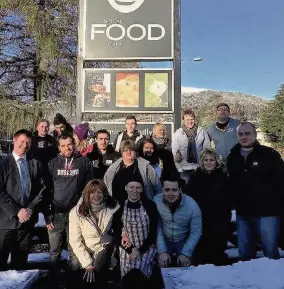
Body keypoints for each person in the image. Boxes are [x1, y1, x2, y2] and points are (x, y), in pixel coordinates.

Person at [227, 121, 284, 261]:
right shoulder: (233, 157)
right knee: (245, 255)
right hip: (243, 214)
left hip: (267, 213)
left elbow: (281, 181)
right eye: (240, 134)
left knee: (270, 254)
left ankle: (272, 282)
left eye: (247, 133)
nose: (243, 137)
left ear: (255, 134)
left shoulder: (269, 154)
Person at [44, 133, 94, 278]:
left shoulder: (84, 162)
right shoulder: (52, 163)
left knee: (74, 253)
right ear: (59, 147)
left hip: (76, 216)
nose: (67, 148)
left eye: (70, 144)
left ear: (74, 144)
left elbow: (90, 188)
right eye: (64, 145)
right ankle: (53, 283)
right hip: (56, 215)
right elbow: (46, 190)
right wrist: (47, 215)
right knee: (54, 253)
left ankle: (72, 283)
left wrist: (85, 211)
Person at [0, 129, 45, 270]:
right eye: (22, 141)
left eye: (28, 143)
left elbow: (41, 189)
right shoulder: (3, 164)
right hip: (6, 223)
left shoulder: (34, 163)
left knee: (20, 267)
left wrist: (29, 209)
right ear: (14, 140)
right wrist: (17, 211)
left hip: (26, 223)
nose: (24, 145)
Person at [69, 179, 119, 288]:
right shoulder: (76, 212)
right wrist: (87, 263)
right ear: (87, 194)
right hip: (83, 247)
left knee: (98, 272)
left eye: (100, 192)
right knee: (76, 266)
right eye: (92, 192)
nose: (96, 195)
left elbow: (119, 229)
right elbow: (75, 240)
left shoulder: (112, 208)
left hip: (102, 246)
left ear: (104, 194)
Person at [187, 148, 232, 265]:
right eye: (206, 160)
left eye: (211, 160)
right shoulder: (195, 177)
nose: (208, 162)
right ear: (202, 161)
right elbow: (189, 198)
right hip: (200, 220)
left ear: (216, 161)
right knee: (201, 252)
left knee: (217, 250)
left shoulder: (223, 177)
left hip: (219, 220)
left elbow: (229, 198)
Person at [112, 179, 158, 281]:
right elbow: (116, 229)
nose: (134, 190)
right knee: (127, 277)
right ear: (126, 188)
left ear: (142, 189)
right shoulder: (120, 206)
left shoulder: (150, 206)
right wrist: (129, 247)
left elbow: (153, 232)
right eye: (131, 187)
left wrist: (140, 250)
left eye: (138, 187)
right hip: (126, 248)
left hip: (146, 248)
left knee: (141, 275)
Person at [154, 176, 202, 268]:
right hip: (165, 238)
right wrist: (162, 251)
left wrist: (186, 253)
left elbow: (196, 232)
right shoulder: (157, 201)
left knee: (186, 265)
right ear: (162, 190)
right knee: (160, 263)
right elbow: (157, 227)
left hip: (183, 239)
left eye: (174, 190)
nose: (170, 193)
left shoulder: (192, 205)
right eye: (167, 190)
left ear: (180, 190)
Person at [104, 140, 162, 205]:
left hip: (142, 209)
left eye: (131, 150)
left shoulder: (146, 167)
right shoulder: (112, 169)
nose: (129, 152)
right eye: (125, 150)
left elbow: (157, 188)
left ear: (136, 152)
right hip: (118, 209)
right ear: (121, 152)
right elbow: (106, 189)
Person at [172, 109, 210, 183]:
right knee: (186, 190)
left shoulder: (201, 131)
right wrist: (179, 169)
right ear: (183, 120)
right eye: (187, 119)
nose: (190, 121)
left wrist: (206, 166)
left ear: (194, 119)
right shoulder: (178, 133)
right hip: (184, 169)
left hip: (199, 167)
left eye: (192, 119)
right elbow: (175, 152)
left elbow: (207, 149)